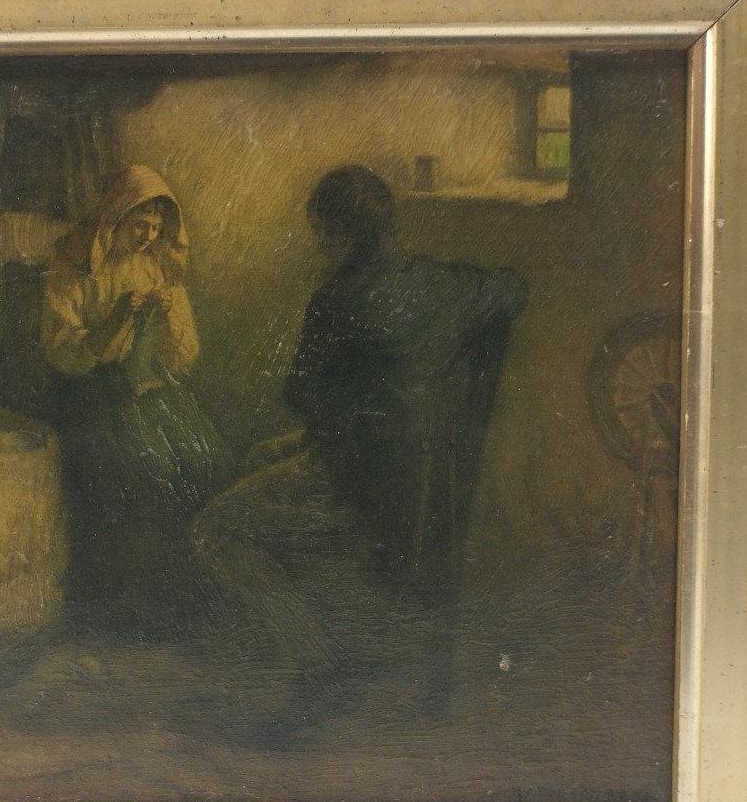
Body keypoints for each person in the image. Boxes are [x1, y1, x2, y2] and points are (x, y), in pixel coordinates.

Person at [192, 165, 526, 721]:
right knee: (266, 460)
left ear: (342, 234)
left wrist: (316, 436)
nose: (318, 246)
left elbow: (306, 401)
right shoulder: (439, 283)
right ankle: (342, 642)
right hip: (429, 488)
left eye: (321, 233)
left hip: (358, 492)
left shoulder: (333, 303)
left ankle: (323, 662)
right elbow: (513, 289)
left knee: (215, 530)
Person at [41, 165, 231, 638]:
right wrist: (113, 320)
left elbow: (183, 358)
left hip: (149, 390)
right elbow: (63, 352)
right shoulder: (73, 266)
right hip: (93, 395)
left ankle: (183, 603)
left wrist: (167, 319)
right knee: (147, 471)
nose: (148, 236)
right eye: (139, 225)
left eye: (156, 228)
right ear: (114, 218)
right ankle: (128, 611)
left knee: (205, 459)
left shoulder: (157, 268)